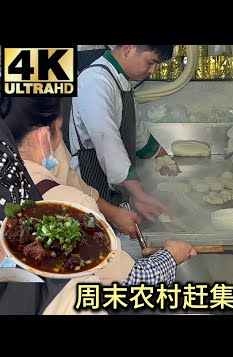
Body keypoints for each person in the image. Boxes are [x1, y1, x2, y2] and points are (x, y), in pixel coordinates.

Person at [1, 96, 197, 314]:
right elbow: (131, 285)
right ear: (43, 137)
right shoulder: (67, 208)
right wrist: (171, 256)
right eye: (59, 130)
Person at [68, 45, 181, 224]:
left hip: (112, 188)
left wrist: (162, 157)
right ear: (129, 49)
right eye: (150, 62)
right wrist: (139, 194)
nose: (153, 70)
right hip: (90, 183)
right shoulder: (95, 80)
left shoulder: (120, 80)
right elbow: (107, 143)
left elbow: (136, 131)